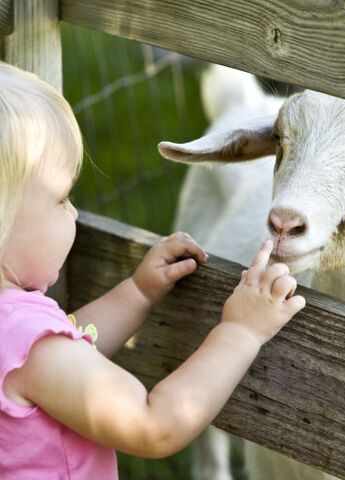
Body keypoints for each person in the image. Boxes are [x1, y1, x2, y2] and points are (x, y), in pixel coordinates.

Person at [0, 61, 306, 479]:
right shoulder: (30, 347)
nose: (73, 212)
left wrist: (137, 293)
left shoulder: (21, 341)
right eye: (62, 198)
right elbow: (153, 424)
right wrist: (241, 331)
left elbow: (68, 345)